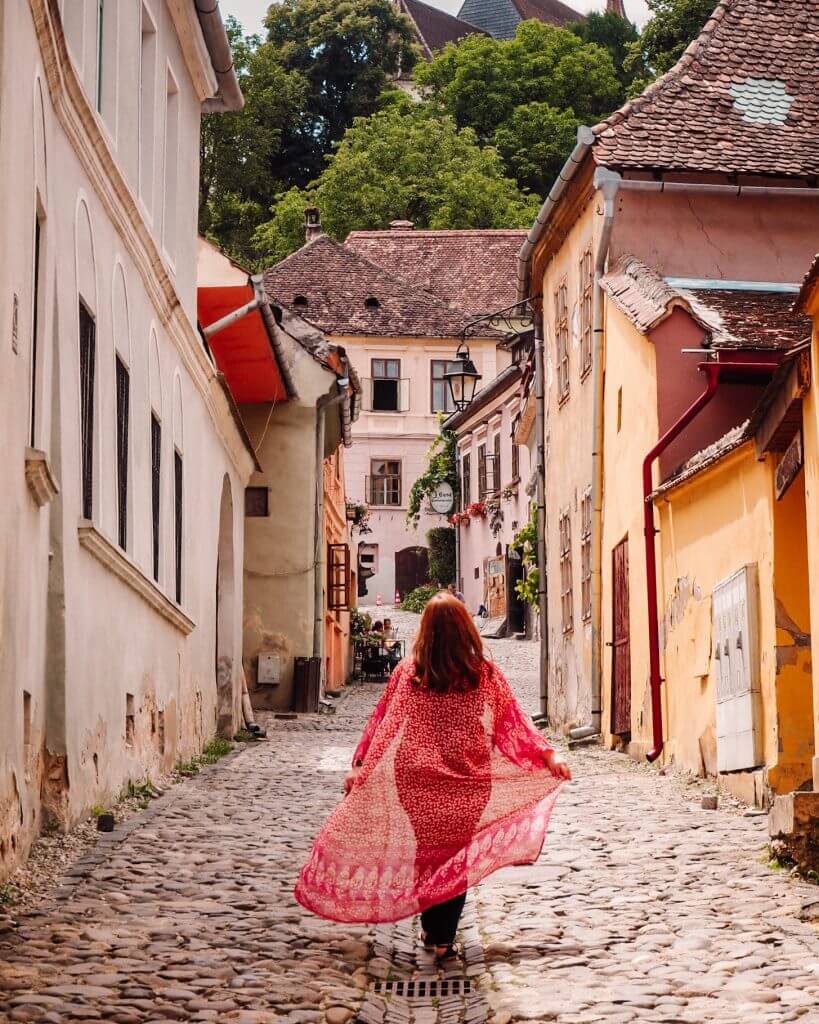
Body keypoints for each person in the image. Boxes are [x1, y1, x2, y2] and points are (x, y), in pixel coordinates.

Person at [295, 593, 571, 960]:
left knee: (425, 854)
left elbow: (385, 726)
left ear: (426, 631)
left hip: (416, 779)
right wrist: (547, 754)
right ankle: (443, 938)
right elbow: (512, 722)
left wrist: (362, 767)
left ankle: (432, 928)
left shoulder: (410, 673)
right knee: (456, 859)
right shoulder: (483, 674)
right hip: (468, 779)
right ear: (465, 630)